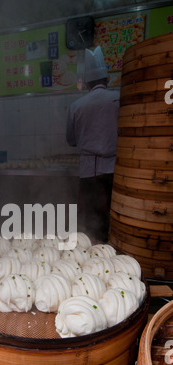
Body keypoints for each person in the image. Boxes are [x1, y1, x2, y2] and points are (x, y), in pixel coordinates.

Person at [66, 46, 120, 243]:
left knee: (90, 219)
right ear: (107, 80)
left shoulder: (77, 106)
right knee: (114, 218)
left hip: (89, 172)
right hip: (115, 170)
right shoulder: (118, 99)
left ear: (86, 83)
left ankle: (90, 253)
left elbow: (71, 140)